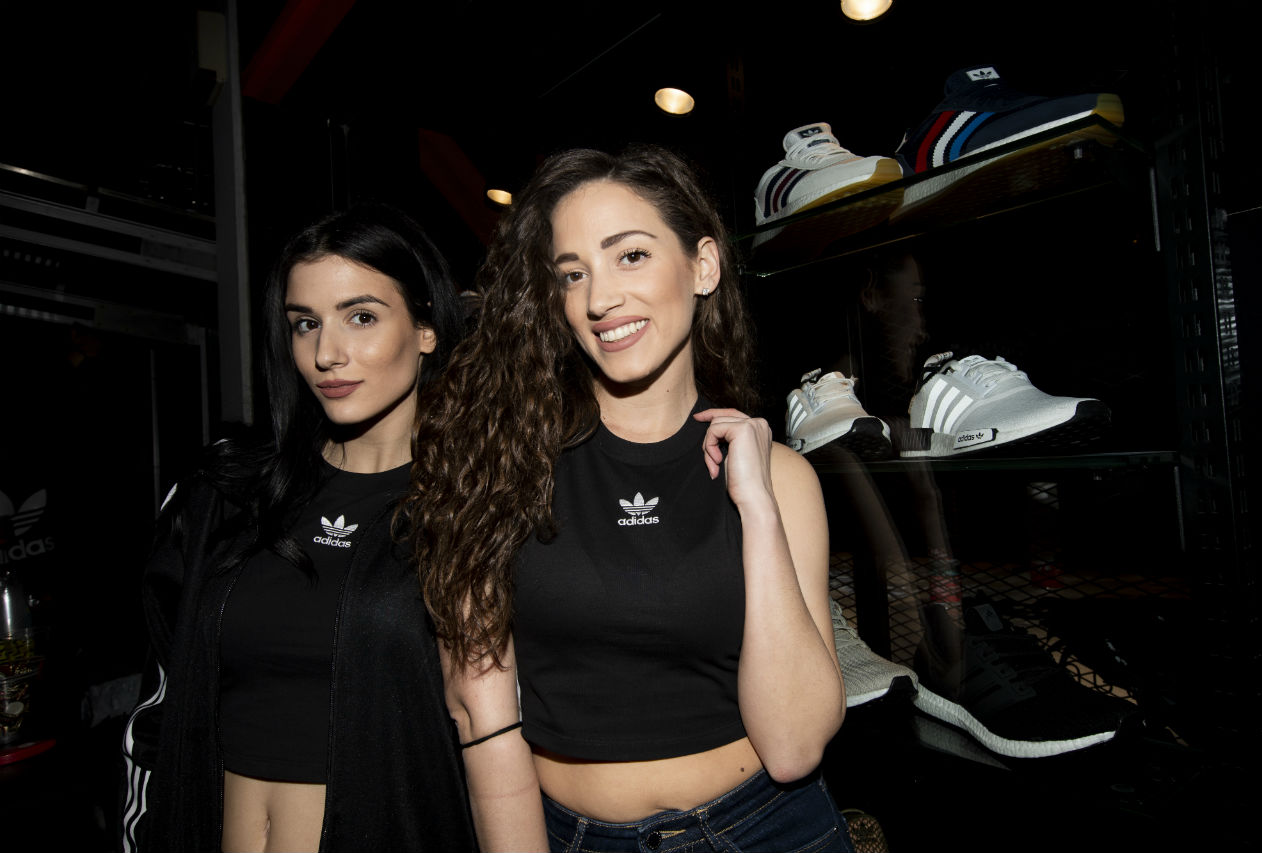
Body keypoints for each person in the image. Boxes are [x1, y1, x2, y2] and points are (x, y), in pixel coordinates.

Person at [403, 147, 853, 852]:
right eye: (573, 273)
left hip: (764, 830)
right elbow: (479, 717)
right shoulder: (502, 465)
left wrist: (758, 508)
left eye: (631, 256)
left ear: (703, 266)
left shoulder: (780, 477)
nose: (598, 299)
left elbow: (794, 746)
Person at [119, 203, 478, 852]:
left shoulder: (470, 511)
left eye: (361, 317)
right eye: (305, 323)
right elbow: (158, 715)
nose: (325, 354)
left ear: (426, 327)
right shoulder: (225, 497)